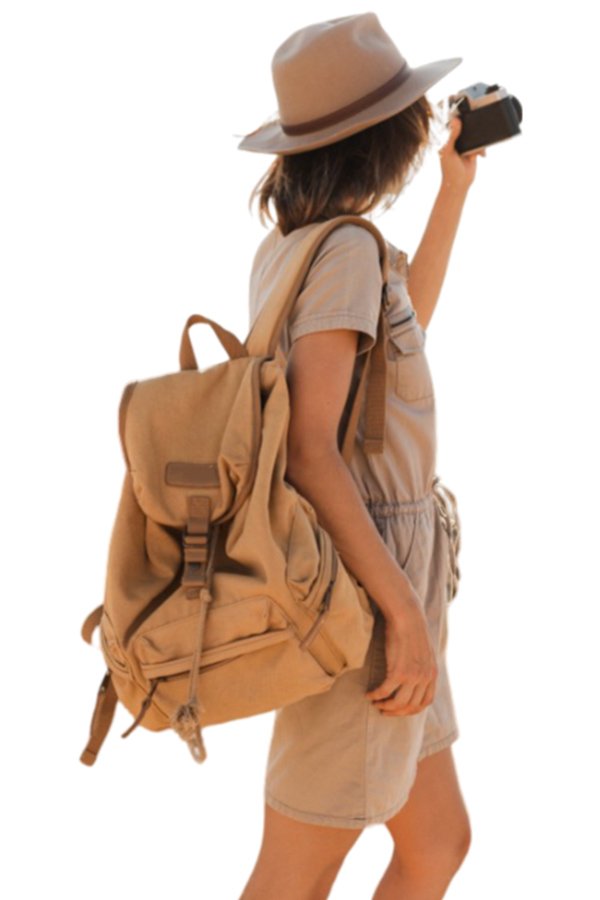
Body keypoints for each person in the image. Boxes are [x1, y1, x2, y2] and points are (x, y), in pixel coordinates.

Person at [237, 13, 484, 900]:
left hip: (389, 573)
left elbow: (397, 343)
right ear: (386, 136)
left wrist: (455, 188)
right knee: (297, 872)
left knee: (437, 842)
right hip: (366, 588)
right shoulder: (342, 253)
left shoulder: (305, 247)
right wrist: (402, 619)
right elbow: (311, 452)